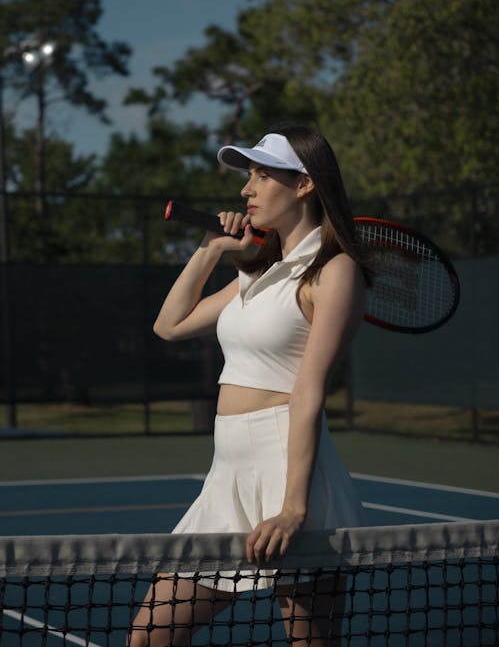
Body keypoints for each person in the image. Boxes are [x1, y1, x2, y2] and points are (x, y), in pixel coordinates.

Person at [127, 125, 371, 647]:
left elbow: (308, 392)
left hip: (291, 475)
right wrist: (211, 249)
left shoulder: (335, 270)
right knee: (149, 637)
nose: (246, 189)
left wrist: (293, 508)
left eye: (261, 175)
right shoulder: (257, 273)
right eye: (249, 176)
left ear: (304, 184)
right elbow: (168, 326)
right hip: (227, 473)